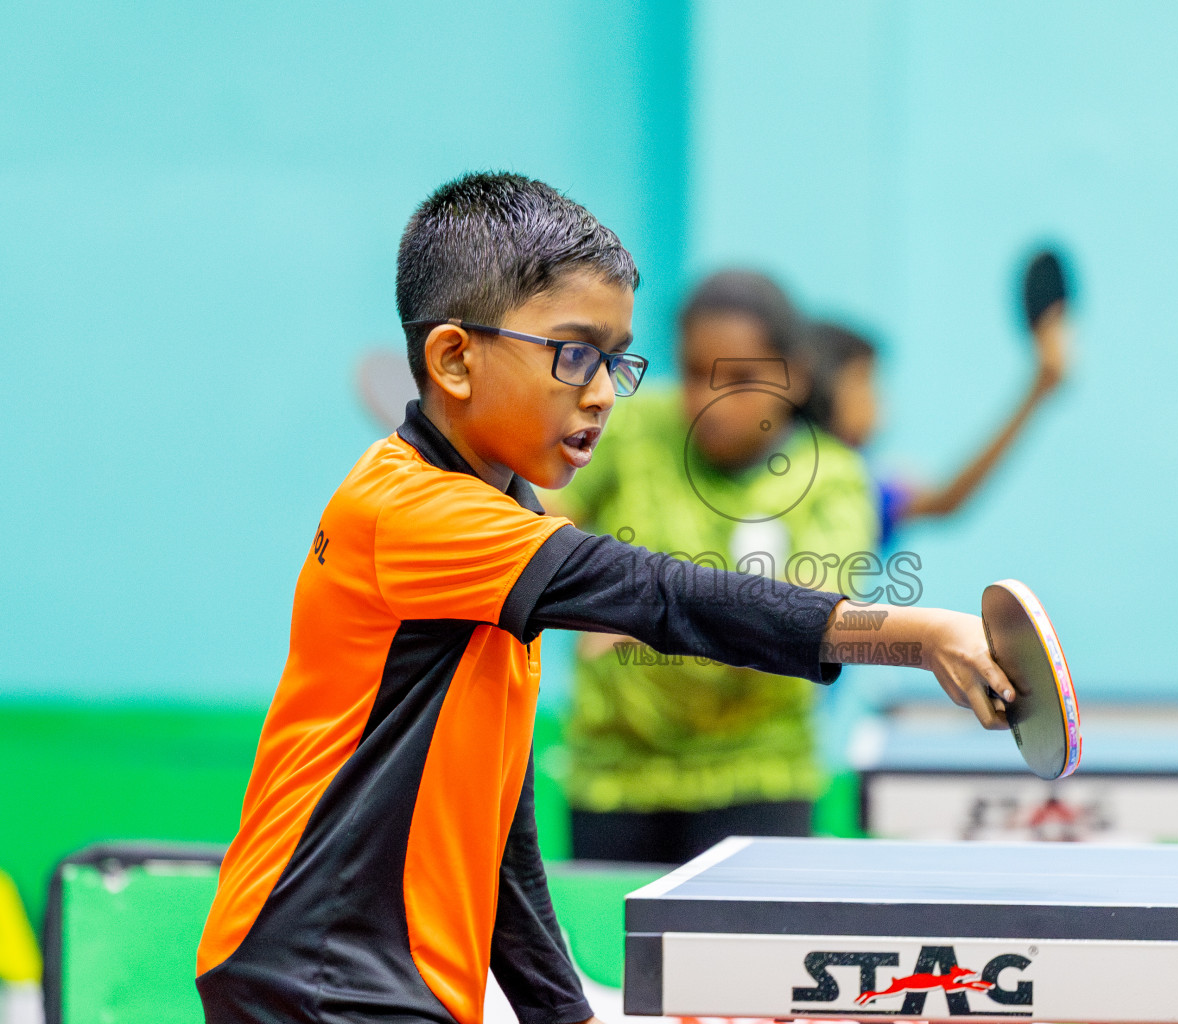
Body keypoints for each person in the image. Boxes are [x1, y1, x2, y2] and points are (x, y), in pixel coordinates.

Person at [194, 172, 1016, 1024]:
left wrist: (567, 1016)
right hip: (320, 968)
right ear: (453, 358)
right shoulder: (418, 512)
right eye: (573, 353)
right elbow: (661, 594)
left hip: (374, 976)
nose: (601, 394)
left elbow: (499, 837)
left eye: (617, 361)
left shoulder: (501, 523)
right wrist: (916, 634)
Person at [544, 270, 876, 863]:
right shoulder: (636, 429)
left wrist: (641, 611)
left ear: (793, 377)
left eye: (741, 379)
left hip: (758, 776)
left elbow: (806, 615)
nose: (707, 402)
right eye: (694, 373)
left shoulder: (834, 479)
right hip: (615, 775)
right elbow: (542, 517)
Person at [803, 270, 1071, 549]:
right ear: (822, 387)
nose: (880, 401)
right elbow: (944, 500)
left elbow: (944, 499)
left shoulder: (866, 479)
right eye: (865, 382)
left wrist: (1038, 390)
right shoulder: (819, 476)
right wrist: (1036, 390)